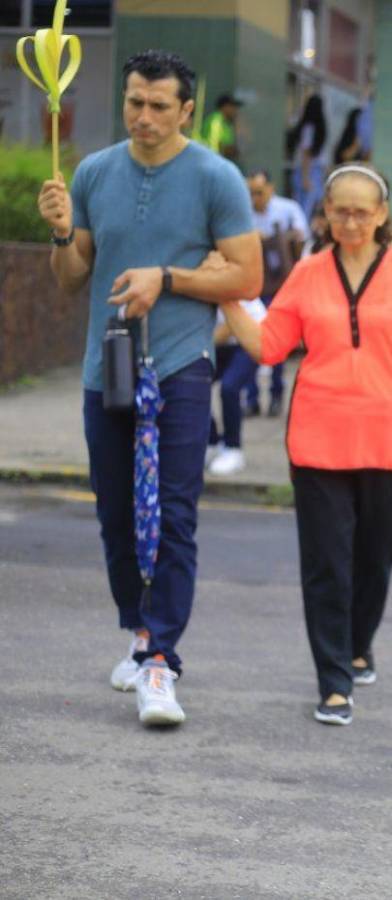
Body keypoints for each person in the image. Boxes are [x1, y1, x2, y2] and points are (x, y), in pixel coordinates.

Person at [37, 49, 262, 725]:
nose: (145, 116)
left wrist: (167, 277)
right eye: (135, 101)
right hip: (104, 367)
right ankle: (138, 634)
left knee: (173, 516)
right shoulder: (94, 171)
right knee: (113, 516)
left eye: (160, 105)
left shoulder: (214, 178)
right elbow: (72, 278)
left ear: (187, 110)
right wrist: (58, 235)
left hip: (180, 366)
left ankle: (161, 659)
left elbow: (247, 278)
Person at [218, 163, 392, 724]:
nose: (349, 221)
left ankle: (357, 642)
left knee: (376, 559)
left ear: (381, 215)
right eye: (339, 210)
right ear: (324, 213)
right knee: (326, 564)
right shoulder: (307, 273)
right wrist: (227, 299)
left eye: (361, 212)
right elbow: (271, 347)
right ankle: (333, 680)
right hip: (318, 441)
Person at [245, 169, 310, 418]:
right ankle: (251, 398)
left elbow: (302, 238)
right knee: (251, 344)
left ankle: (276, 395)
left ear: (271, 189)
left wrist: (280, 237)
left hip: (281, 285)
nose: (255, 198)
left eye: (259, 192)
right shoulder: (244, 212)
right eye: (251, 193)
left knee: (278, 343)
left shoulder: (288, 208)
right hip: (254, 286)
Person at [206, 298, 267, 475]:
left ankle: (233, 448)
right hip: (223, 345)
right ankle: (212, 442)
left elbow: (229, 326)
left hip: (250, 339)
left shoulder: (226, 274)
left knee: (229, 388)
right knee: (194, 383)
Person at [287, 94, 328, 222]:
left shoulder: (310, 128)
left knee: (311, 206)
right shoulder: (310, 129)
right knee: (305, 208)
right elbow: (306, 154)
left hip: (312, 171)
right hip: (307, 171)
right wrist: (305, 178)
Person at [200, 92, 241, 162]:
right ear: (225, 107)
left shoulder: (227, 123)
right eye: (233, 107)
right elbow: (213, 147)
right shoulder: (215, 121)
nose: (235, 111)